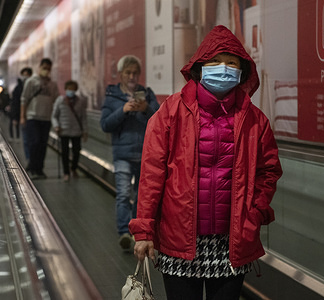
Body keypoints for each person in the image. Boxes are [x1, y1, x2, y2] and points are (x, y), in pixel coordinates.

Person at [129, 25, 283, 299]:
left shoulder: (255, 120)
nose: (223, 68)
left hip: (232, 242)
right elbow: (151, 173)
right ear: (200, 68)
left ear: (242, 71)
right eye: (214, 61)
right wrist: (143, 230)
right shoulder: (170, 112)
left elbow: (268, 171)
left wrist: (255, 212)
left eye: (231, 62)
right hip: (179, 239)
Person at [100, 55, 160, 252]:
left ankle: (136, 231)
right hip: (123, 154)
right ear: (121, 74)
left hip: (145, 154)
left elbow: (160, 121)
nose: (132, 76)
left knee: (141, 196)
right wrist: (123, 110)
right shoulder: (112, 96)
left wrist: (146, 109)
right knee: (124, 193)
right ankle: (123, 232)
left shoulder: (147, 94)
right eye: (128, 73)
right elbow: (105, 125)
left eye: (135, 73)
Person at [20, 58, 59, 179]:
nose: (46, 70)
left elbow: (55, 101)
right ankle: (32, 166)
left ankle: (39, 168)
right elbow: (24, 99)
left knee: (42, 144)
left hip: (46, 118)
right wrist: (23, 116)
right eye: (44, 68)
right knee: (34, 142)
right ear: (39, 67)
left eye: (48, 69)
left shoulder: (52, 84)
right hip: (33, 117)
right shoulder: (31, 81)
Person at [52, 80, 88, 182]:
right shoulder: (60, 100)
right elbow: (54, 116)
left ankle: (74, 168)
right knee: (65, 152)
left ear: (75, 90)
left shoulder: (79, 102)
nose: (70, 91)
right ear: (65, 89)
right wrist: (56, 126)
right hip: (64, 131)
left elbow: (83, 118)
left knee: (77, 151)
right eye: (69, 89)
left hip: (76, 131)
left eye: (73, 89)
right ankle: (66, 172)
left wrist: (85, 131)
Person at [9, 67, 32, 145]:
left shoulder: (34, 86)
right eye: (24, 75)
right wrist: (15, 117)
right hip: (22, 114)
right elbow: (15, 103)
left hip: (32, 115)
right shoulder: (18, 88)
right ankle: (29, 156)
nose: (25, 77)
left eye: (27, 75)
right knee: (26, 137)